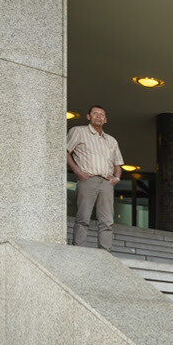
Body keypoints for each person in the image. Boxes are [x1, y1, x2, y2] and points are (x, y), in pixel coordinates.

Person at [66, 105, 123, 250]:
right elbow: (65, 152)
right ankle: (78, 249)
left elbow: (118, 163)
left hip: (106, 183)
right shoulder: (78, 131)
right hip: (87, 180)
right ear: (88, 116)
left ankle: (105, 252)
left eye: (101, 114)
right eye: (95, 113)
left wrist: (116, 178)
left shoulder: (111, 140)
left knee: (107, 221)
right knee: (83, 217)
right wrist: (77, 171)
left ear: (105, 120)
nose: (98, 116)